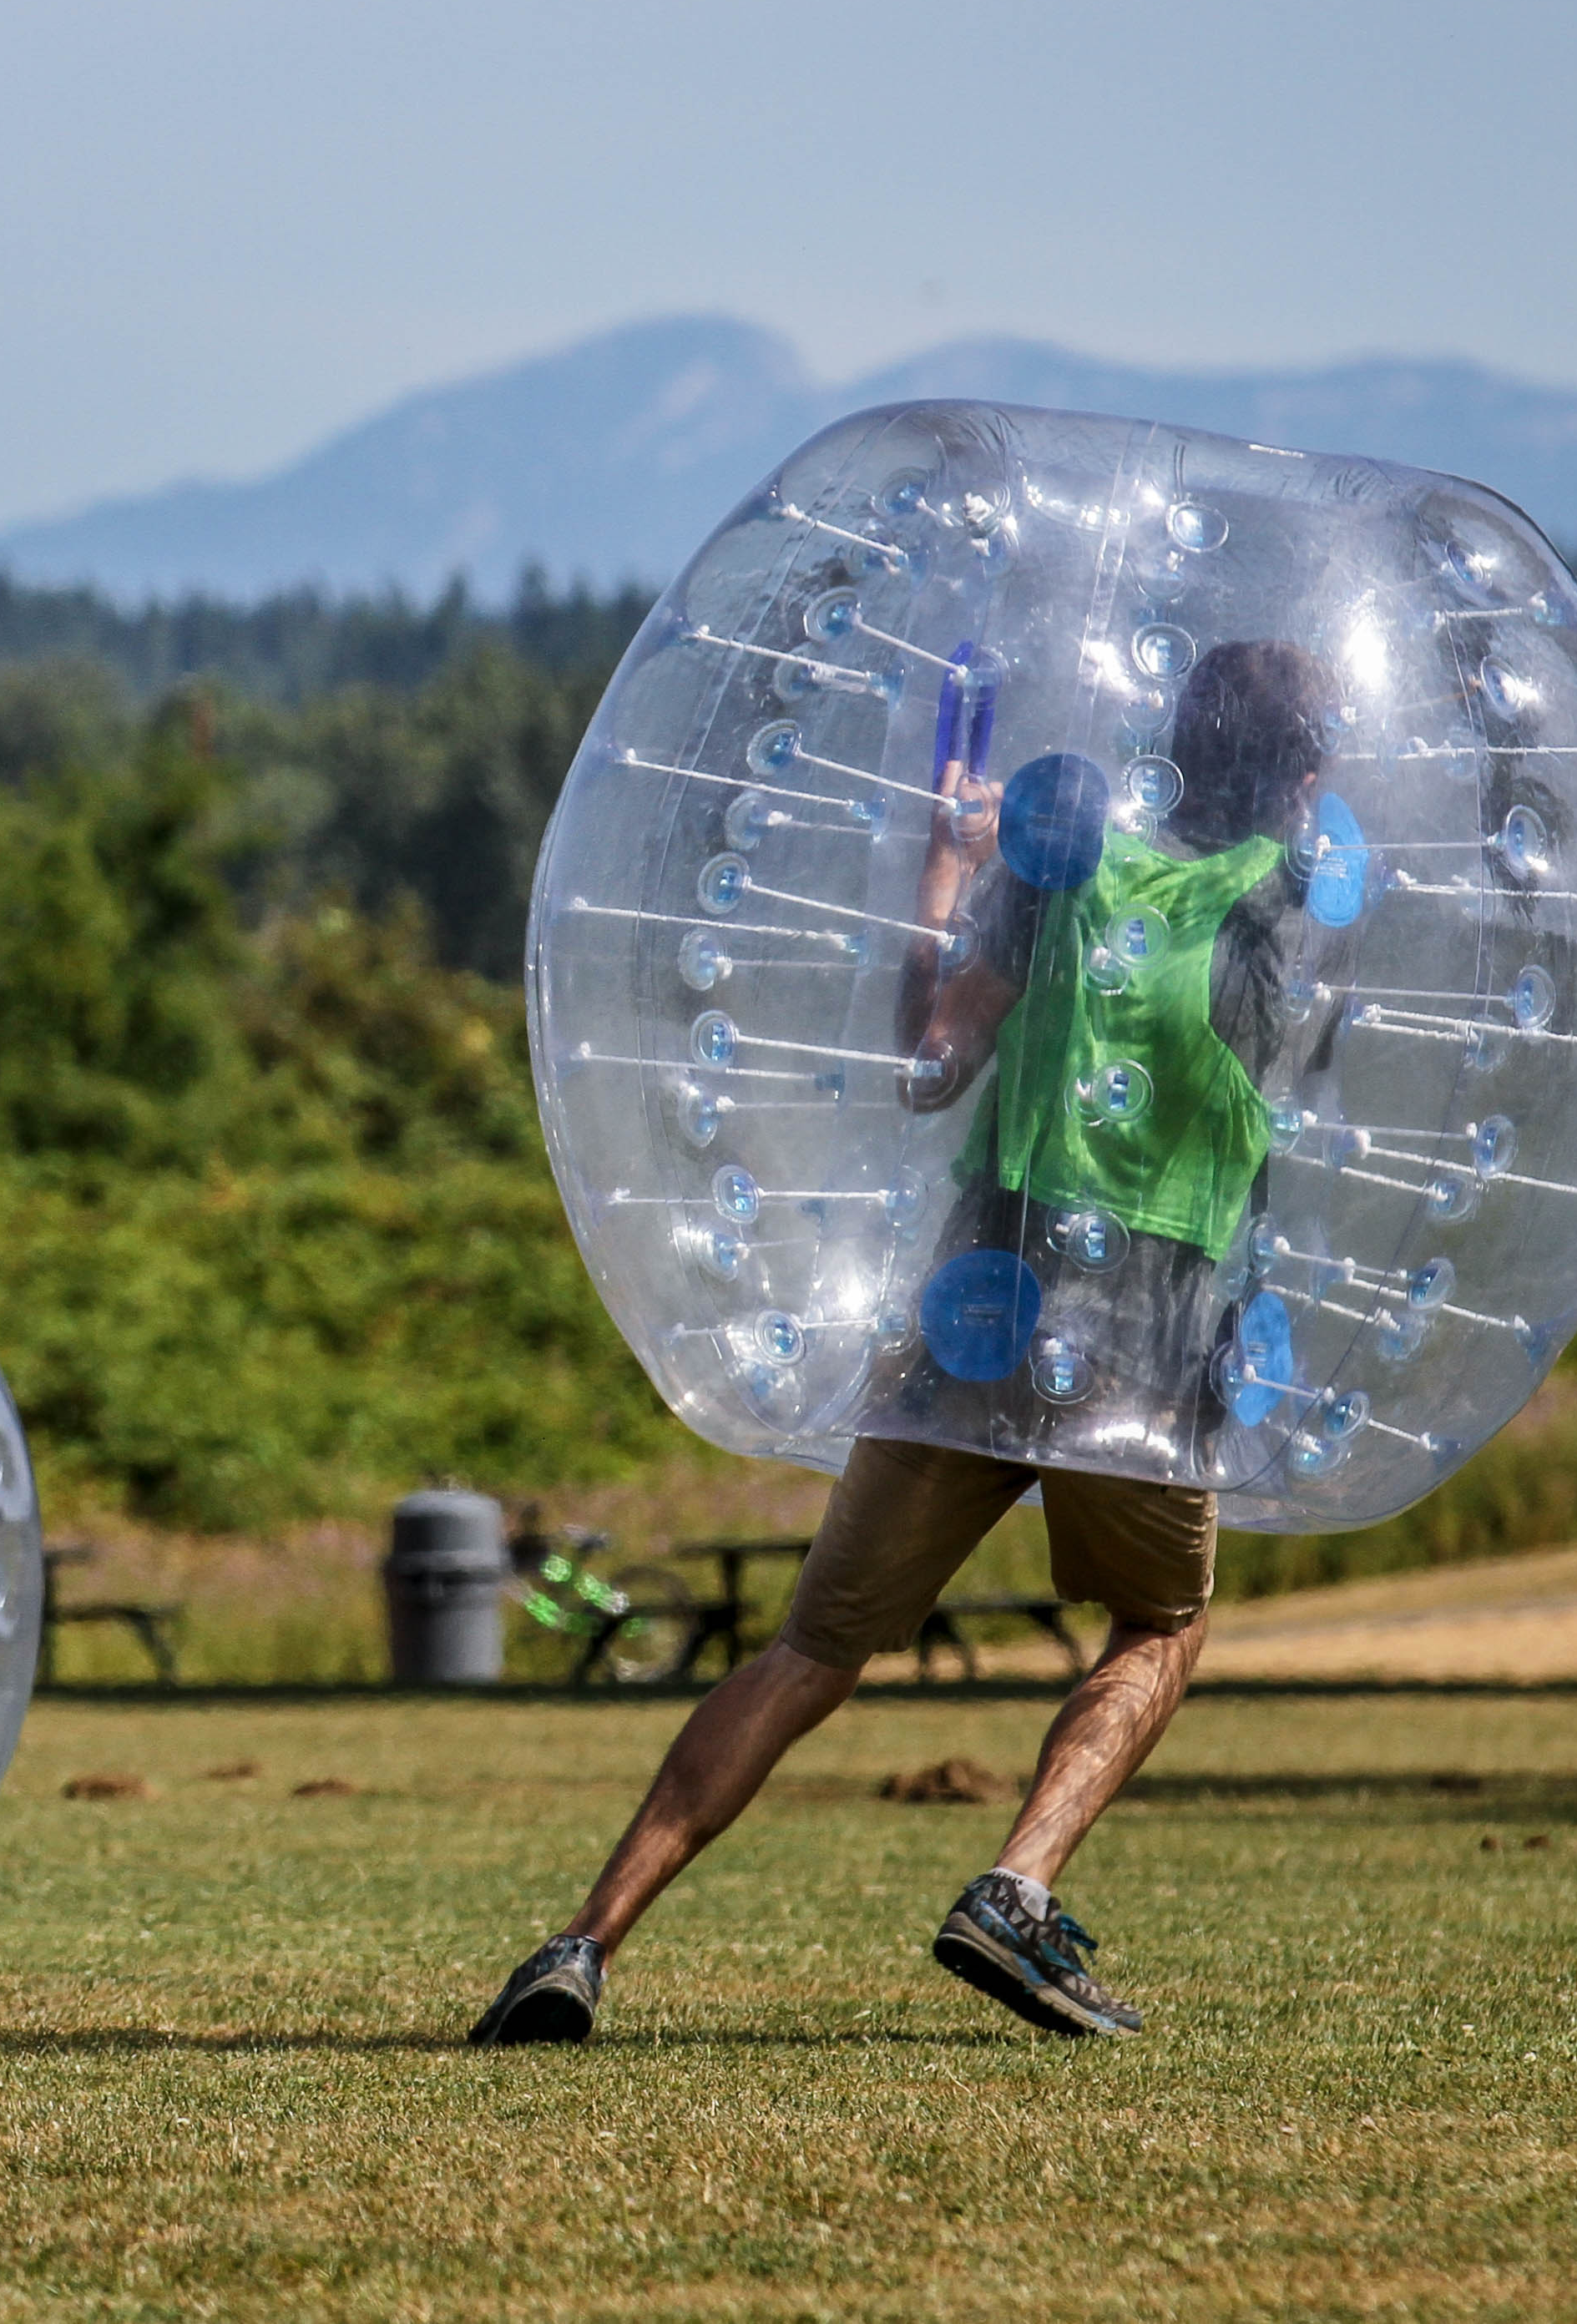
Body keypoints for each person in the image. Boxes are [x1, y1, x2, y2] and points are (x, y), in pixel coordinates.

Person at [473, 640, 1339, 2046]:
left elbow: (928, 1065)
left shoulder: (1058, 867)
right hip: (1142, 1337)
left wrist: (950, 872)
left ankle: (581, 1942)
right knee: (1162, 1625)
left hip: (976, 1308)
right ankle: (1015, 1886)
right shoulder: (1292, 915)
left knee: (815, 1643)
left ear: (1178, 739)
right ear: (1305, 778)